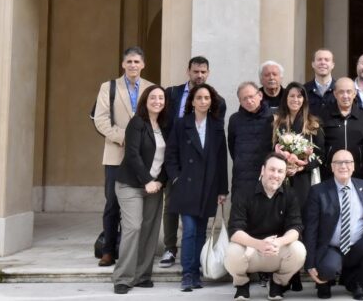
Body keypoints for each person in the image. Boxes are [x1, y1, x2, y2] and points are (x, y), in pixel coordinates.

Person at [162, 56, 226, 268]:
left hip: (204, 175)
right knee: (173, 209)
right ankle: (171, 249)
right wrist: (176, 175)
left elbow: (217, 151)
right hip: (179, 165)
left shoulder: (218, 103)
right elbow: (166, 127)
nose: (199, 75)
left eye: (203, 72)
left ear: (208, 73)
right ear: (188, 71)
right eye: (196, 71)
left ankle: (194, 269)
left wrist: (221, 187)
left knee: (197, 229)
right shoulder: (172, 94)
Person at [93, 46, 152, 267]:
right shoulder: (108, 87)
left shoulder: (151, 88)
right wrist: (125, 138)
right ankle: (108, 250)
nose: (133, 65)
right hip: (116, 154)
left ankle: (136, 251)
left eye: (137, 61)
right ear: (123, 64)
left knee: (141, 205)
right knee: (112, 203)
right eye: (129, 61)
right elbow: (100, 120)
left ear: (143, 64)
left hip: (144, 157)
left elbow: (156, 118)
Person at [305, 150, 363, 301]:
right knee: (328, 268)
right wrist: (310, 263)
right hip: (330, 247)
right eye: (338, 162)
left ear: (353, 166)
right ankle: (325, 283)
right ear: (332, 167)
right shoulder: (318, 191)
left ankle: (356, 282)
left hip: (357, 246)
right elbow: (311, 229)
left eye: (348, 162)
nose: (343, 166)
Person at [225, 152, 307, 301]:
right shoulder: (244, 193)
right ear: (263, 170)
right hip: (250, 251)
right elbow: (235, 231)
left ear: (285, 175)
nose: (275, 175)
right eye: (272, 169)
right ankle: (242, 285)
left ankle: (277, 284)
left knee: (299, 250)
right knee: (232, 251)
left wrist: (278, 242)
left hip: (276, 250)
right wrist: (259, 244)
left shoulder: (290, 195)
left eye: (280, 171)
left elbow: (296, 228)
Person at [112, 84, 170, 295]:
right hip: (131, 185)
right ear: (145, 100)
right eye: (153, 97)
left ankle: (142, 275)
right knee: (133, 228)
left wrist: (160, 181)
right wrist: (147, 180)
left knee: (150, 230)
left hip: (155, 186)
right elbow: (132, 155)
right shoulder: (137, 123)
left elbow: (169, 158)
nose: (157, 101)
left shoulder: (165, 125)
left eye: (161, 98)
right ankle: (123, 278)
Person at [272, 82, 326, 292]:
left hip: (304, 183)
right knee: (284, 225)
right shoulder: (277, 122)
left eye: (299, 96)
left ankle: (305, 270)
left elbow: (321, 156)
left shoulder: (313, 124)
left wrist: (301, 167)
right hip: (282, 181)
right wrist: (284, 166)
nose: (295, 100)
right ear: (285, 98)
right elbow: (270, 150)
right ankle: (288, 276)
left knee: (302, 225)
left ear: (304, 99)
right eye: (291, 96)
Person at [321, 77, 363, 181]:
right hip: (330, 175)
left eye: (349, 92)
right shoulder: (324, 115)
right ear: (335, 94)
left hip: (359, 174)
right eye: (341, 92)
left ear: (354, 94)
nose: (345, 96)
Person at [229, 81, 276, 202]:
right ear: (240, 102)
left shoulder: (274, 117)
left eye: (251, 96)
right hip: (241, 179)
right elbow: (232, 148)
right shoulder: (235, 120)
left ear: (260, 95)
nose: (249, 101)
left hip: (266, 177)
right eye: (244, 99)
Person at [307, 49, 337, 117]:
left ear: (333, 65)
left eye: (327, 60)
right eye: (319, 59)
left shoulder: (340, 89)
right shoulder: (304, 90)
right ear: (313, 64)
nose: (323, 62)